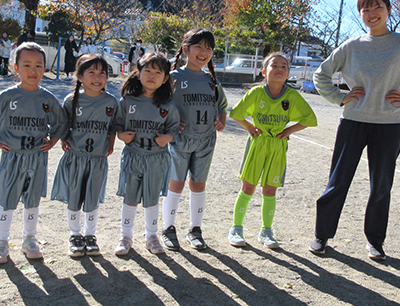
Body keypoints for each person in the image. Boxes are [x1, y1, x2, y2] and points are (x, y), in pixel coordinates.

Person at [309, 0, 400, 261]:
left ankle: (375, 242)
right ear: (360, 14)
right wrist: (340, 97)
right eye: (365, 9)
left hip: (389, 124)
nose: (372, 14)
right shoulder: (352, 46)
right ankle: (321, 235)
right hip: (353, 121)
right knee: (338, 182)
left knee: (381, 185)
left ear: (388, 9)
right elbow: (320, 74)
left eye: (377, 7)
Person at [0, 42, 64, 264]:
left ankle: (29, 240)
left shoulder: (48, 99)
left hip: (36, 157)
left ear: (45, 69)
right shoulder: (7, 96)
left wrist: (52, 142)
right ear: (16, 67)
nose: (32, 70)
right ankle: (1, 242)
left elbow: (61, 123)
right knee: (7, 198)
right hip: (12, 156)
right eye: (26, 64)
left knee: (32, 199)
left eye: (38, 65)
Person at [228, 52, 317, 249]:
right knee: (248, 187)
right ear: (263, 71)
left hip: (277, 146)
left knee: (270, 189)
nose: (278, 69)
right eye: (274, 65)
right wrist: (250, 127)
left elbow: (310, 119)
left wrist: (288, 130)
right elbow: (236, 113)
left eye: (283, 66)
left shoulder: (292, 96)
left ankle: (266, 231)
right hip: (258, 144)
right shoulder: (256, 93)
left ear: (288, 73)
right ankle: (236, 228)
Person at [161, 29, 228, 251]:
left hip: (205, 141)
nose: (204, 52)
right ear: (185, 49)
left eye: (209, 48)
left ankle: (195, 229)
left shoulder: (212, 81)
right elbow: (160, 106)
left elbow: (222, 107)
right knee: (176, 184)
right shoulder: (173, 78)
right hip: (180, 140)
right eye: (199, 46)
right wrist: (169, 123)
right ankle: (168, 228)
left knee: (198, 184)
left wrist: (220, 120)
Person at [51, 54, 118, 257]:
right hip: (76, 157)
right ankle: (75, 234)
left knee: (92, 198)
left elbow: (113, 127)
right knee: (74, 196)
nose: (97, 78)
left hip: (97, 159)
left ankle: (90, 235)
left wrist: (111, 143)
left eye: (102, 73)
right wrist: (63, 139)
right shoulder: (71, 101)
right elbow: (63, 126)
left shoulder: (111, 102)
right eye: (91, 72)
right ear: (80, 76)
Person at [114, 53, 180, 256]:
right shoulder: (127, 101)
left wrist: (167, 137)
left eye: (158, 72)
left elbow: (175, 129)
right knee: (130, 196)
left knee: (152, 198)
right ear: (138, 72)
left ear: (165, 78)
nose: (152, 76)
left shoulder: (167, 106)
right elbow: (117, 124)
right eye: (147, 70)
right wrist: (121, 134)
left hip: (156, 158)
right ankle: (125, 236)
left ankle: (152, 236)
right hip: (133, 156)